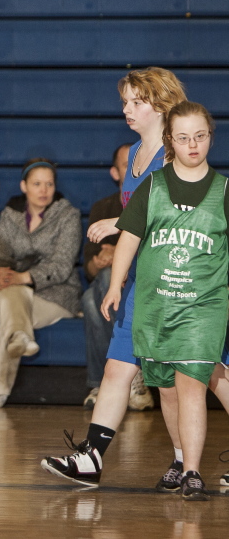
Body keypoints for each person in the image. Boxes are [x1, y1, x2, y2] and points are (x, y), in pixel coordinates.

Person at [40, 67, 186, 490]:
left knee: (208, 375)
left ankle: (182, 460)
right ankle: (91, 457)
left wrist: (119, 222)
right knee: (117, 369)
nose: (127, 109)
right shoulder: (138, 153)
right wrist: (119, 278)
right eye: (125, 101)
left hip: (174, 280)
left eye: (136, 102)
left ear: (160, 104)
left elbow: (176, 215)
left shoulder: (174, 153)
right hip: (143, 280)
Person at [101, 101, 229, 500]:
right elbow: (128, 240)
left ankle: (192, 470)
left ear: (210, 136)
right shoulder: (152, 186)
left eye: (201, 136)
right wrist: (115, 284)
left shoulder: (224, 191)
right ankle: (179, 460)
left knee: (192, 384)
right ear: (170, 141)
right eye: (184, 137)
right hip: (157, 307)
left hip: (203, 307)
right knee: (169, 390)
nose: (193, 145)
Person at [0, 159, 82, 409]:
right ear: (24, 186)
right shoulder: (10, 214)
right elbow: (1, 256)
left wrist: (22, 278)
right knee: (8, 295)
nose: (44, 190)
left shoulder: (68, 215)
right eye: (37, 184)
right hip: (14, 291)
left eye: (49, 184)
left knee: (9, 307)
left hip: (58, 295)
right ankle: (20, 338)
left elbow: (62, 266)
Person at [80, 144, 130, 410]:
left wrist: (121, 256)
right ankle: (132, 380)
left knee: (92, 297)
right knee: (94, 292)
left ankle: (104, 382)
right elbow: (88, 267)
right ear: (115, 172)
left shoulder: (155, 199)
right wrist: (100, 259)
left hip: (145, 284)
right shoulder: (103, 207)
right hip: (109, 287)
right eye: (126, 164)